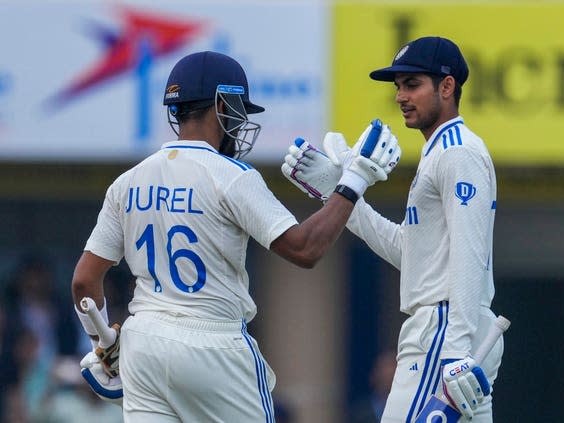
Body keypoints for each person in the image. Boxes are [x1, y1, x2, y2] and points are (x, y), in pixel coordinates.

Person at [70, 50, 401, 422]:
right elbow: (305, 249)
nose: (241, 121)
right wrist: (354, 181)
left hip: (143, 341)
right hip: (213, 344)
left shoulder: (127, 182)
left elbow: (84, 281)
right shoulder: (231, 175)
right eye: (238, 109)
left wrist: (103, 344)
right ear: (222, 105)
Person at [281, 36, 503, 422]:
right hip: (453, 329)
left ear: (447, 87)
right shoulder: (440, 151)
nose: (401, 96)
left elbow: (468, 254)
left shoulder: (458, 152)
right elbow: (412, 254)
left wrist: (454, 352)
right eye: (398, 87)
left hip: (445, 331)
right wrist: (342, 194)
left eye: (413, 84)